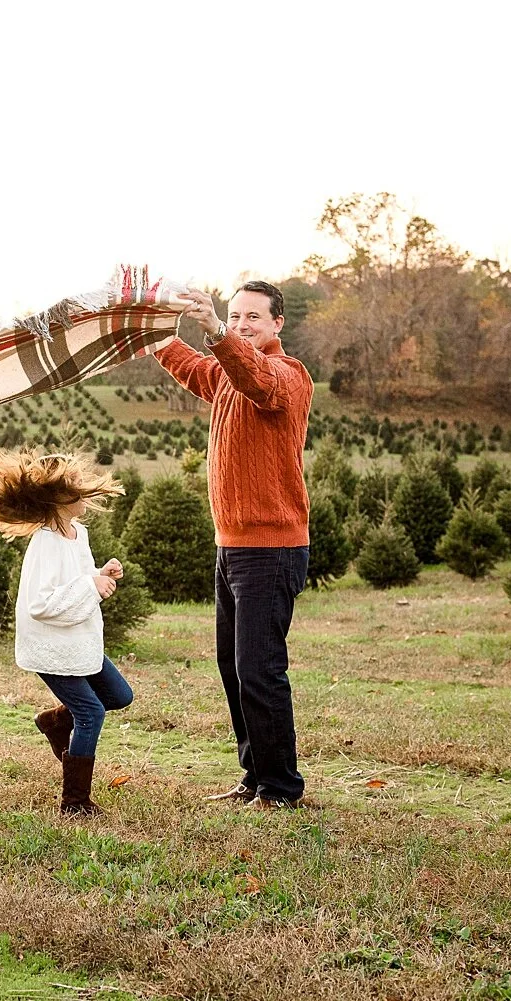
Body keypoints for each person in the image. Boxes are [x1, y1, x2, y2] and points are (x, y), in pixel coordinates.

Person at [154, 281, 314, 809]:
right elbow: (200, 370)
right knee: (233, 667)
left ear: (277, 324)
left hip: (271, 548)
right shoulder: (228, 372)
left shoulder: (287, 377)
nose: (243, 323)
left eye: (253, 317)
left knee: (259, 669)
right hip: (232, 547)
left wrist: (218, 332)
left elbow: (255, 378)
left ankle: (281, 788)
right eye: (236, 315)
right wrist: (151, 335)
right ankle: (255, 776)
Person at [0, 451, 133, 815]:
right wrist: (90, 584)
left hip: (80, 641)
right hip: (53, 648)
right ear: (59, 500)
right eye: (78, 491)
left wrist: (102, 573)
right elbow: (40, 602)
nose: (85, 496)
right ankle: (75, 801)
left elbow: (79, 577)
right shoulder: (45, 543)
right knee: (90, 714)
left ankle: (53, 722)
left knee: (119, 695)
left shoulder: (77, 534)